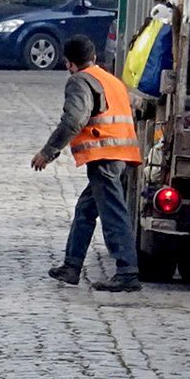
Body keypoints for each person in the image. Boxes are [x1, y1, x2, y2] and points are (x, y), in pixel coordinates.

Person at [32, 35, 143, 292]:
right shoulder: (110, 80)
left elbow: (74, 120)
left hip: (105, 156)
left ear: (69, 63)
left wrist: (48, 152)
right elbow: (135, 107)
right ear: (93, 57)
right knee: (85, 210)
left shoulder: (80, 81)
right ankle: (71, 266)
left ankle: (127, 272)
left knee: (113, 214)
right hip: (122, 154)